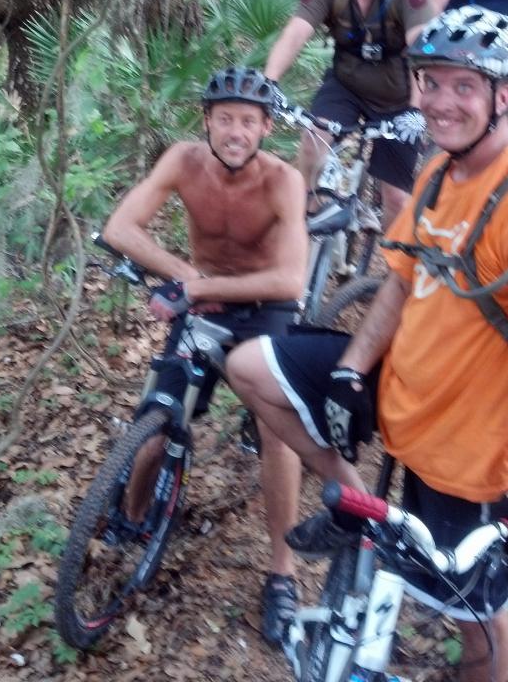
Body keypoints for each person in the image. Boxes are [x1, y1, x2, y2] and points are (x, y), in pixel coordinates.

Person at [226, 9, 508, 682]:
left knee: (476, 632)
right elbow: (397, 281)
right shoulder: (435, 173)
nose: (441, 101)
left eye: (465, 86)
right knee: (251, 365)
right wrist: (348, 370)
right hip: (404, 391)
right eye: (431, 82)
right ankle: (355, 506)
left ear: (503, 97)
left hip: (468, 451)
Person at [103, 66, 308, 649]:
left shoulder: (283, 181)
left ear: (267, 126)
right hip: (204, 299)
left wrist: (195, 290)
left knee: (276, 433)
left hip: (265, 309)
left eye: (248, 121)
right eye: (224, 119)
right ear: (207, 123)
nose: (235, 131)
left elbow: (291, 279)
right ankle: (132, 516)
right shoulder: (183, 161)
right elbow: (122, 225)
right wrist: (190, 278)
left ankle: (282, 571)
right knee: (156, 420)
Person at [265, 0, 434, 228]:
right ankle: (308, 222)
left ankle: (392, 270)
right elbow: (297, 32)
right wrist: (269, 81)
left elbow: (422, 52)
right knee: (313, 144)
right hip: (346, 86)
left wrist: (415, 110)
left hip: (397, 98)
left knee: (397, 198)